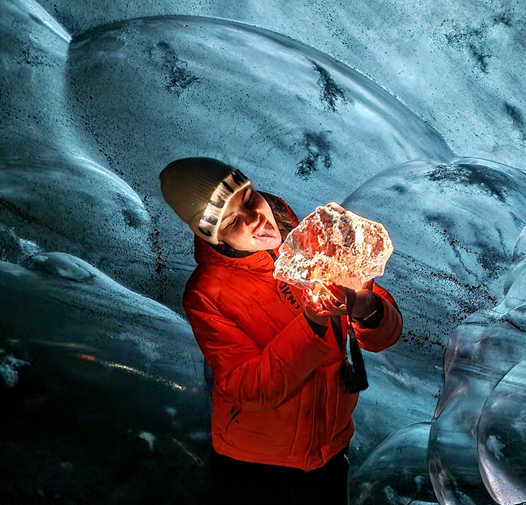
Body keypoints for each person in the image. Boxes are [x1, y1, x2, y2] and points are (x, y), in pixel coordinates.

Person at [158, 157, 403, 504]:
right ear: (208, 235)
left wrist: (368, 310)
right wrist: (312, 323)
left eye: (248, 198)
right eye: (231, 221)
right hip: (257, 465)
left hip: (331, 448)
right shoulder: (206, 295)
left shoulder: (310, 238)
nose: (255, 219)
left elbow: (384, 337)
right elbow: (251, 389)